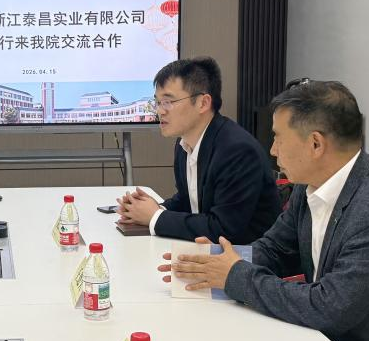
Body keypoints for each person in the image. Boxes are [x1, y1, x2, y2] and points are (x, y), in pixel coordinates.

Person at [163, 79, 369, 341]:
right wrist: (212, 264)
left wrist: (234, 275)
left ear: (316, 144)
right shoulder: (311, 185)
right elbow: (275, 249)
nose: (272, 150)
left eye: (278, 137)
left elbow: (330, 307)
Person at [118, 57, 279, 243]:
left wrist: (155, 217)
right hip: (210, 250)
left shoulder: (237, 150)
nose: (160, 111)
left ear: (203, 103)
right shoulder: (184, 144)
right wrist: (149, 209)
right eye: (157, 102)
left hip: (247, 254)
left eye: (168, 101)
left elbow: (224, 229)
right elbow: (187, 201)